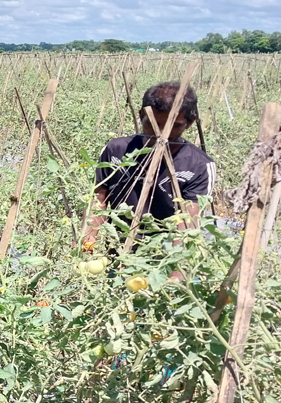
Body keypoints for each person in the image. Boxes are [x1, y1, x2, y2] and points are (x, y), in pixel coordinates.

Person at [81, 81, 215, 269]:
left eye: (173, 126)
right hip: (118, 250)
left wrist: (177, 273)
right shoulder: (117, 150)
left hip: (164, 256)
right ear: (142, 115)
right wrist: (86, 243)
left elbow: (188, 222)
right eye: (153, 125)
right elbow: (99, 199)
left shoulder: (199, 165)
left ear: (190, 123)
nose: (162, 134)